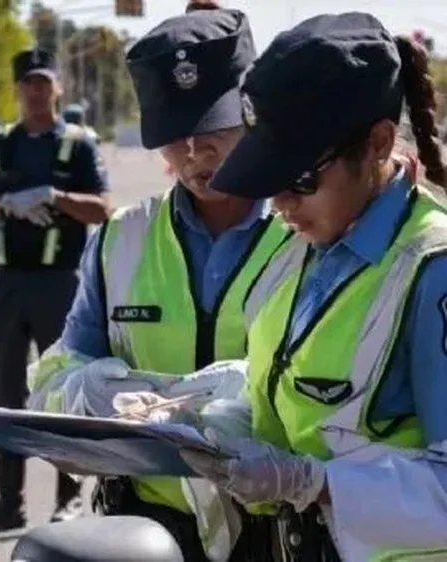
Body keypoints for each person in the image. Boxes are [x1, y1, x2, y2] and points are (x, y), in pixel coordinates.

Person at [176, 12, 447, 561]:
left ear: (376, 144)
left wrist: (314, 483)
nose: (280, 204)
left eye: (299, 179)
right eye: (270, 179)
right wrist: (226, 418)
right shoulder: (299, 244)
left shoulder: (431, 271)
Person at [26, 4, 290, 560]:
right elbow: (61, 367)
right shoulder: (121, 239)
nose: (195, 153)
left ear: (251, 112)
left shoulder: (309, 230)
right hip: (145, 533)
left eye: (213, 126)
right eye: (175, 135)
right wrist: (82, 392)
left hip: (281, 525)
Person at [0, 46, 114, 531]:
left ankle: (69, 496)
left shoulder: (78, 146)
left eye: (45, 82)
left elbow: (102, 208)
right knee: (6, 391)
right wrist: (4, 201)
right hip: (6, 284)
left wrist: (53, 197)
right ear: (18, 89)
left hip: (59, 285)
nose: (37, 91)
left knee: (61, 386)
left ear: (57, 88)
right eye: (29, 83)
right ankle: (9, 502)